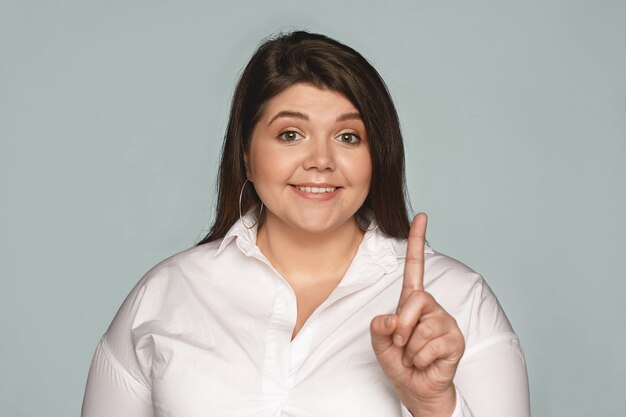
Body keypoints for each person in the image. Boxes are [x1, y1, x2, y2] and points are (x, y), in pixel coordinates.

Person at [81, 31, 530, 417]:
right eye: (290, 134)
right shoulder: (165, 295)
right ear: (246, 155)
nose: (320, 161)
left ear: (378, 157)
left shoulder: (457, 300)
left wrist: (434, 405)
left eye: (348, 137)